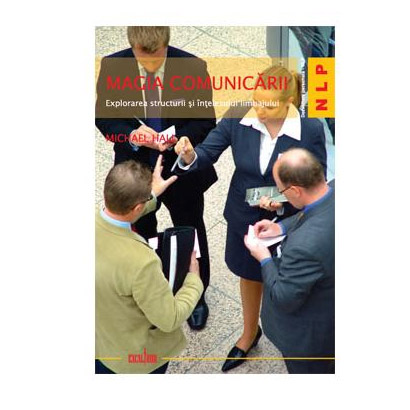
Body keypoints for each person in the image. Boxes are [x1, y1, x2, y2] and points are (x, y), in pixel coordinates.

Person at [174, 65, 327, 372]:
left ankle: (285, 335)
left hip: (289, 219)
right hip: (244, 214)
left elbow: (316, 178)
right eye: (256, 100)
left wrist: (285, 199)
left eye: (268, 104)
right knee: (249, 274)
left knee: (287, 279)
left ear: (288, 102)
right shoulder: (239, 115)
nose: (259, 109)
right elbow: (207, 153)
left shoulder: (309, 129)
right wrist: (189, 155)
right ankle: (248, 333)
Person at [95, 26, 217, 330]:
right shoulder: (113, 66)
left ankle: (197, 294)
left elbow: (206, 121)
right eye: (143, 57)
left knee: (191, 226)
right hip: (135, 170)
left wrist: (184, 140)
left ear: (167, 43)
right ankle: (148, 290)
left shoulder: (193, 67)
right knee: (140, 230)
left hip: (179, 169)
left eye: (157, 56)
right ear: (131, 45)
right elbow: (104, 118)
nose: (150, 64)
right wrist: (133, 135)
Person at [95, 155, 204, 374]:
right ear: (137, 207)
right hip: (135, 360)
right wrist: (194, 280)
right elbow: (169, 318)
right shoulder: (141, 263)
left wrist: (151, 195)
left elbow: (122, 213)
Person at [244, 148, 335, 374]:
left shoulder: (303, 247)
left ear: (294, 190)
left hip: (311, 340)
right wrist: (281, 227)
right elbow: (314, 210)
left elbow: (284, 297)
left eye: (281, 190)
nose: (280, 193)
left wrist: (264, 258)